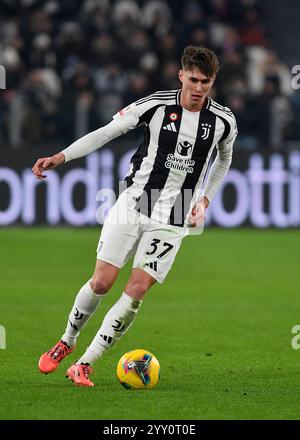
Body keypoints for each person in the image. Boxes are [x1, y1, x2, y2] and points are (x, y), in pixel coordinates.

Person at [32, 45, 238, 387]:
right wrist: (62, 157)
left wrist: (205, 199)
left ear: (213, 80)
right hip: (136, 201)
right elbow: (106, 132)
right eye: (193, 80)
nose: (198, 88)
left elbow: (224, 159)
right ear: (181, 75)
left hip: (175, 213)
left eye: (206, 81)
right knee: (102, 282)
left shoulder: (223, 121)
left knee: (137, 290)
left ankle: (85, 363)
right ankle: (67, 342)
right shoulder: (155, 105)